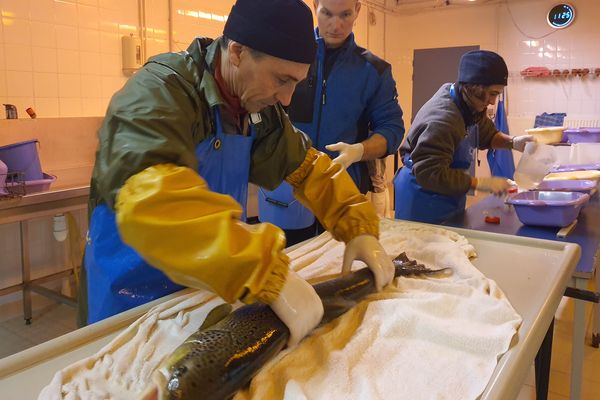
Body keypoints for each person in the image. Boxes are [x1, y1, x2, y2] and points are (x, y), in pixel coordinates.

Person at [80, 0, 395, 348]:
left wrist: (357, 226)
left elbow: (309, 168)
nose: (287, 99)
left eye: (297, 84)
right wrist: (262, 271)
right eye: (281, 80)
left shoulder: (257, 110)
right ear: (237, 52)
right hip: (131, 301)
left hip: (207, 292)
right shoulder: (161, 91)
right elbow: (153, 203)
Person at [258, 0, 405, 245]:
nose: (336, 25)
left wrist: (359, 151)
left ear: (358, 10)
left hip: (342, 189)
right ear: (315, 5)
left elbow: (392, 129)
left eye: (345, 15)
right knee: (286, 267)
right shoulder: (286, 57)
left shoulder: (374, 70)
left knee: (340, 269)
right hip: (286, 190)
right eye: (327, 13)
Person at [394, 50, 535, 224]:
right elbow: (430, 173)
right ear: (473, 88)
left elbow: (486, 134)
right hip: (422, 195)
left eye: (497, 94)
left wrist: (513, 142)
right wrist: (480, 183)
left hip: (446, 192)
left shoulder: (469, 104)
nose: (492, 102)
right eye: (492, 93)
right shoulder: (443, 120)